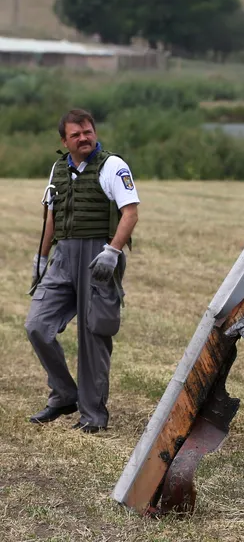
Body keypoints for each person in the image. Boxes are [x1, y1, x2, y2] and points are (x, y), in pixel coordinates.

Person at [25, 109, 139, 433]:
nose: (84, 138)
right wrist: (41, 259)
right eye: (76, 135)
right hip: (63, 256)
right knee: (37, 325)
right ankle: (64, 395)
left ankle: (93, 416)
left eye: (87, 131)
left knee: (93, 335)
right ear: (64, 140)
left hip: (99, 254)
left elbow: (130, 214)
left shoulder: (113, 166)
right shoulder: (58, 170)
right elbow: (52, 218)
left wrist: (112, 252)